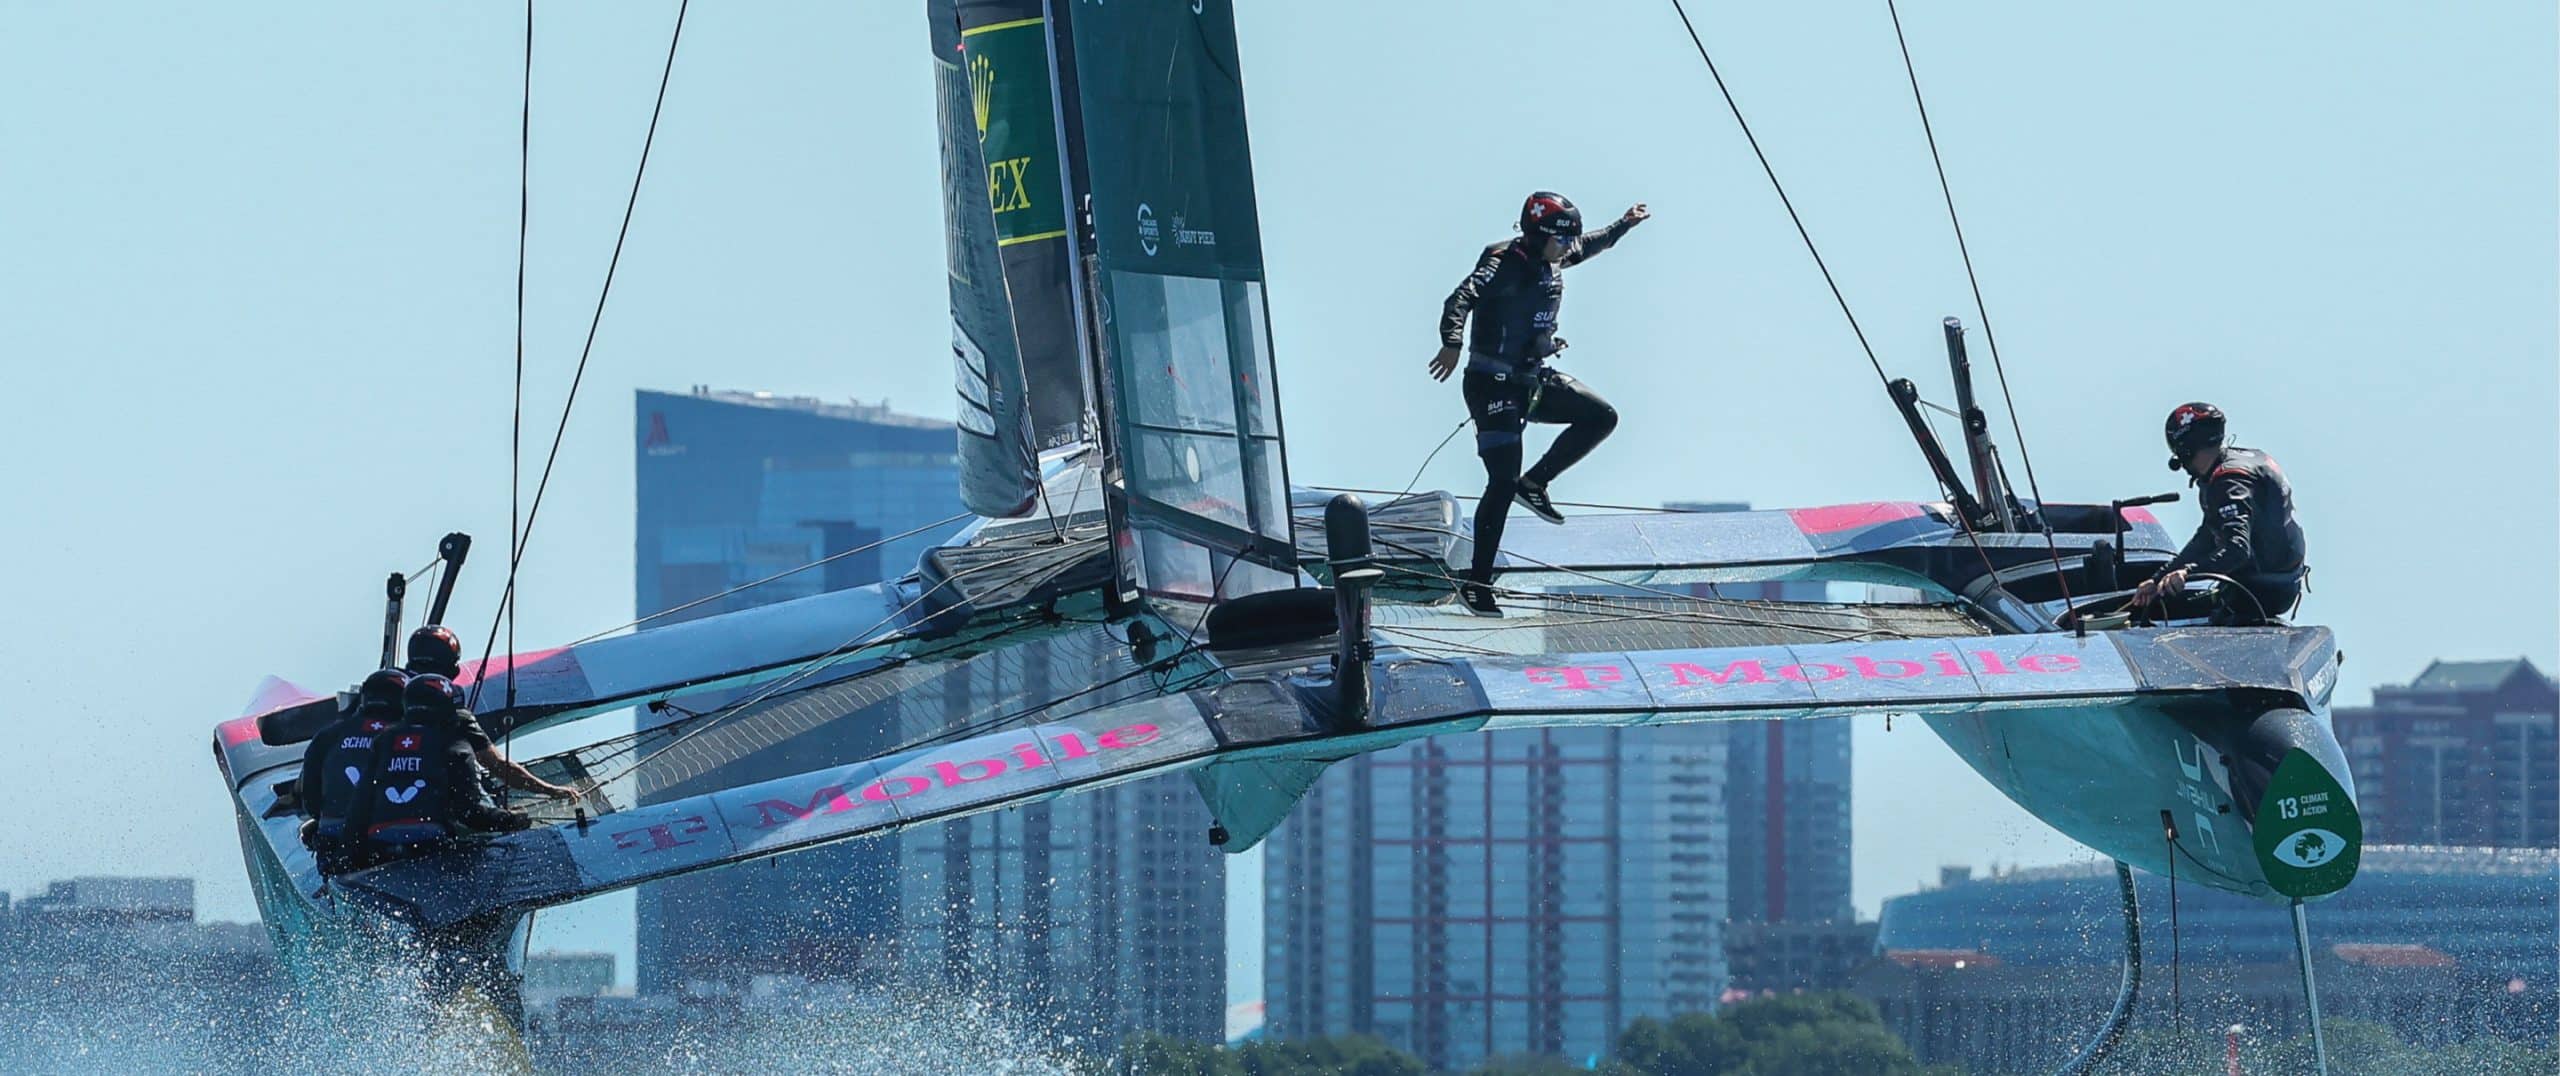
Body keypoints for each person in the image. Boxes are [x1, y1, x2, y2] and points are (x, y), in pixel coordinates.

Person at [1430, 191, 1649, 616]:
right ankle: (1476, 583)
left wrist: (1624, 224)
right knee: (1501, 479)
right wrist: (1451, 343)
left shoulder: (1557, 255)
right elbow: (1459, 299)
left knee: (1600, 416)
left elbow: (1592, 244)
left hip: (1530, 379)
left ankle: (1535, 484)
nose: (1568, 248)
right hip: (1490, 384)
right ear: (1535, 236)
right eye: (1561, 241)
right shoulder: (1500, 262)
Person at [2131, 402, 2309, 625]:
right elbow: (2207, 536)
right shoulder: (2242, 460)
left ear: (2186, 450)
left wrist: (2187, 573)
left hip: (2262, 593)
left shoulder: (2228, 482)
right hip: (2285, 581)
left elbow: (2237, 549)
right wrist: (2157, 579)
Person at [344, 674, 534, 867]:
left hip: (379, 851)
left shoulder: (382, 743)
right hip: (434, 851)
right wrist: (510, 820)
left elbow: (358, 810)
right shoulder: (455, 745)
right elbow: (470, 813)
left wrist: (347, 864)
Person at [403, 625, 577, 800]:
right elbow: (496, 764)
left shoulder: (386, 695)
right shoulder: (454, 714)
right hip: (434, 807)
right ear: (452, 670)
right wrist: (550, 790)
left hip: (381, 807)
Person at [298, 668, 408, 873]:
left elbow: (310, 800)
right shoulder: (410, 740)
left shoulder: (328, 735)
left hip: (334, 840)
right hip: (391, 843)